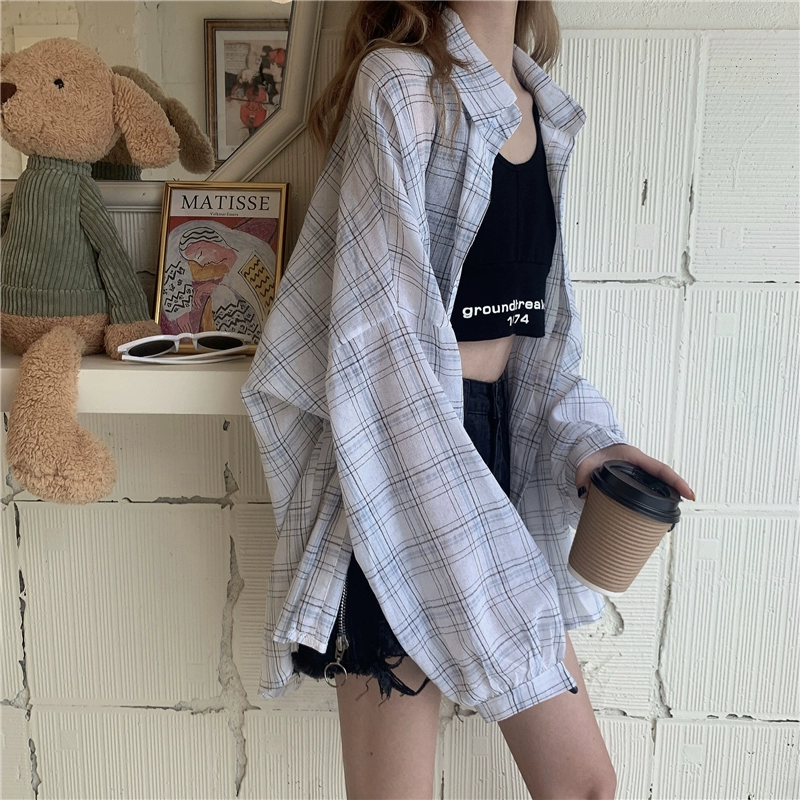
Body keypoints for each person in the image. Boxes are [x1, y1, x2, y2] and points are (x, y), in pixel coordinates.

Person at [241, 2, 695, 798]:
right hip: (404, 461)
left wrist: (591, 446)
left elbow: (539, 340)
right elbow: (378, 350)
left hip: (498, 449)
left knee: (584, 784)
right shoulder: (399, 87)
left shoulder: (544, 110)